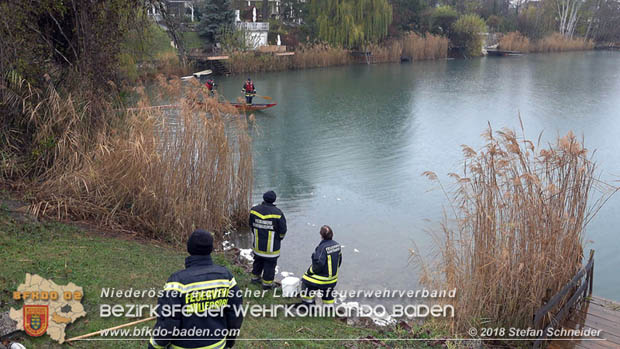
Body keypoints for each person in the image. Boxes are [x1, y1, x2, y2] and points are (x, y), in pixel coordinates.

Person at [148, 229, 243, 349]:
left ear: (189, 248)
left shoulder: (177, 282)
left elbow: (169, 322)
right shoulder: (226, 277)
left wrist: (155, 345)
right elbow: (235, 313)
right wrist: (230, 341)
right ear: (210, 249)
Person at [249, 190, 287, 290]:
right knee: (270, 266)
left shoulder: (254, 210)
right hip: (271, 248)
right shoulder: (278, 213)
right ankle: (267, 284)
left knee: (257, 261)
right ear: (274, 200)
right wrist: (280, 238)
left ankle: (254, 279)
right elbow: (283, 230)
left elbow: (251, 225)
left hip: (257, 245)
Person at [300, 225, 342, 306]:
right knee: (328, 292)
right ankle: (329, 308)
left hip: (323, 280)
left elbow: (318, 264)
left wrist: (310, 271)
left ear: (321, 235)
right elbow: (339, 262)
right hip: (333, 280)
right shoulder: (337, 245)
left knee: (305, 280)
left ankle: (308, 305)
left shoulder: (322, 247)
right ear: (332, 235)